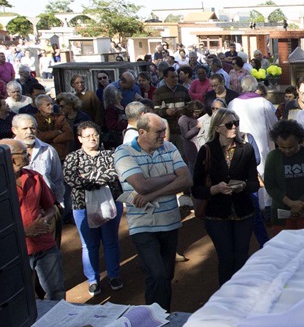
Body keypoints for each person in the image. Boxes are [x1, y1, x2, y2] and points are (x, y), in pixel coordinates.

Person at [114, 113, 192, 310]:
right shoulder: (124, 152)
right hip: (142, 225)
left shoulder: (170, 147)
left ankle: (160, 315)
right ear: (142, 132)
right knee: (156, 274)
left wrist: (150, 195)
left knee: (166, 275)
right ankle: (155, 319)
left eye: (164, 131)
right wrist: (171, 176)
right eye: (159, 132)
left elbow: (186, 180)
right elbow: (142, 185)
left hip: (170, 221)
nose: (163, 136)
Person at [191, 108, 259, 285]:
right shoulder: (207, 151)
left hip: (244, 211)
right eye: (229, 124)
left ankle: (243, 297)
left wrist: (243, 186)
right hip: (216, 214)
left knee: (242, 257)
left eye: (236, 123)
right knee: (226, 258)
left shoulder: (247, 149)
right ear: (218, 128)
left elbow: (254, 183)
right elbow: (196, 189)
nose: (234, 127)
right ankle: (226, 299)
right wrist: (215, 189)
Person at [63, 122, 124, 296]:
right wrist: (98, 178)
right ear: (80, 138)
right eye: (88, 136)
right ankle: (93, 280)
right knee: (89, 245)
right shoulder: (72, 158)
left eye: (95, 134)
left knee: (111, 241)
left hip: (110, 203)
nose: (92, 138)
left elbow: (115, 173)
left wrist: (88, 178)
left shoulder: (109, 154)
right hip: (82, 206)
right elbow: (70, 178)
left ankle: (114, 275)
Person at [0, 138, 65, 300]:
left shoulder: (35, 177)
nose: (28, 154)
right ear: (12, 159)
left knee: (56, 292)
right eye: (23, 153)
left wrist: (45, 220)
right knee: (20, 298)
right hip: (14, 252)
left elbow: (50, 207)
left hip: (44, 244)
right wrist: (25, 231)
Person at [263, 119, 304, 237]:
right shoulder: (273, 157)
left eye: (291, 147)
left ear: (299, 140)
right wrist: (291, 203)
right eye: (281, 147)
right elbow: (270, 185)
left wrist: (300, 203)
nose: (286, 151)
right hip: (283, 215)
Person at [153, 68, 192, 156]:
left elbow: (190, 106)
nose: (175, 79)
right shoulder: (159, 92)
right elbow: (155, 111)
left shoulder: (183, 90)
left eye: (177, 77)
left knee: (183, 155)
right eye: (172, 77)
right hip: (167, 131)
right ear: (165, 78)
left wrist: (183, 110)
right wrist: (166, 112)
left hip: (181, 130)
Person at [33, 94, 73, 162]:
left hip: (61, 155)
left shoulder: (60, 118)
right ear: (39, 107)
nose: (51, 106)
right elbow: (38, 137)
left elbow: (69, 135)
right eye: (48, 105)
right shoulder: (35, 120)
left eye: (52, 104)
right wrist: (57, 132)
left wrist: (50, 141)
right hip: (43, 156)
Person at [178, 101, 206, 173]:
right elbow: (185, 136)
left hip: (201, 145)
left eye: (199, 113)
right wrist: (197, 127)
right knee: (192, 167)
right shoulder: (183, 119)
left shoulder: (200, 117)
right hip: (191, 147)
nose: (197, 115)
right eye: (196, 113)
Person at [103, 85, 128, 150]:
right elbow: (111, 124)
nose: (120, 92)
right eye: (118, 91)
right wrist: (126, 124)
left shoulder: (123, 106)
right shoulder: (110, 109)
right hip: (116, 139)